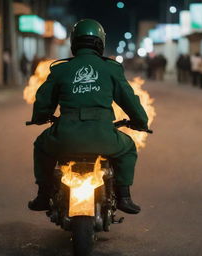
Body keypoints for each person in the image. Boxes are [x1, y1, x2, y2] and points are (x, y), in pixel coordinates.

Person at [28, 19, 149, 215]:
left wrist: (40, 117)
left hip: (65, 137)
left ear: (74, 42)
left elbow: (43, 101)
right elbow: (129, 100)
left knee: (41, 145)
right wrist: (141, 122)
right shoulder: (111, 68)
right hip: (105, 137)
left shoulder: (60, 69)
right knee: (128, 148)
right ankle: (124, 196)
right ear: (100, 42)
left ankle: (43, 195)